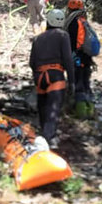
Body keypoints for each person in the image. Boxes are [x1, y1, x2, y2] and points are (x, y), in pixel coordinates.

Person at [29, 8, 74, 147]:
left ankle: (44, 134)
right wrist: (72, 81)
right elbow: (67, 59)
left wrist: (37, 76)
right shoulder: (63, 36)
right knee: (53, 107)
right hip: (55, 75)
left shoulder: (38, 38)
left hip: (39, 76)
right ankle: (49, 138)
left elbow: (32, 62)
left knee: (43, 107)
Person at [64, 0, 100, 117]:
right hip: (87, 58)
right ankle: (90, 110)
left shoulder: (71, 22)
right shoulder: (84, 21)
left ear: (69, 8)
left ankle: (81, 113)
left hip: (77, 57)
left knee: (78, 84)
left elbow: (71, 43)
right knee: (86, 84)